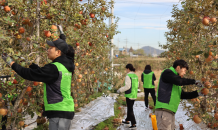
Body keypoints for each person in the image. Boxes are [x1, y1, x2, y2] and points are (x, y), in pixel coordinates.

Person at [1, 25, 75, 130]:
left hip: (60, 111)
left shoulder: (54, 68)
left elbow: (29, 74)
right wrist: (31, 64)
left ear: (58, 52)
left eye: (51, 48)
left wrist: (11, 63)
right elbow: (43, 72)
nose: (48, 50)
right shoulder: (66, 65)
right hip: (65, 109)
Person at [155, 59, 204, 130]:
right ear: (178, 68)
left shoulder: (175, 82)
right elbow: (179, 81)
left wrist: (198, 93)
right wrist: (194, 82)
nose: (184, 73)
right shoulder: (167, 72)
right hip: (164, 111)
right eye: (184, 70)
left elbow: (183, 95)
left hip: (169, 112)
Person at [117, 64, 138, 129]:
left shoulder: (128, 75)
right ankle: (127, 120)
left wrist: (120, 90)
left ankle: (133, 124)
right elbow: (137, 85)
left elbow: (127, 86)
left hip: (129, 95)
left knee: (130, 109)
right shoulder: (135, 75)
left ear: (128, 69)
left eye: (126, 69)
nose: (126, 70)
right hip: (134, 94)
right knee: (129, 108)